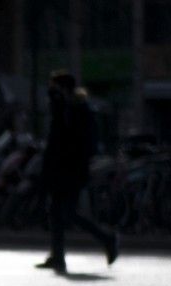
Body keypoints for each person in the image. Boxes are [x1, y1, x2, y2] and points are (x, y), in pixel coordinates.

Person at [38, 71, 118, 273]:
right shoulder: (65, 107)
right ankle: (58, 256)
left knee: (68, 212)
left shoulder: (76, 108)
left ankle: (107, 238)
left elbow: (72, 139)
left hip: (71, 169)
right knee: (56, 212)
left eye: (54, 87)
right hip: (61, 168)